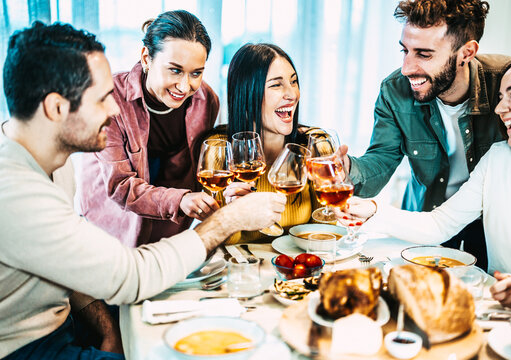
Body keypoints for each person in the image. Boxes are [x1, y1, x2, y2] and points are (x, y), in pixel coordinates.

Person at [0, 21, 286, 359]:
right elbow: (131, 275)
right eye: (103, 98)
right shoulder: (15, 192)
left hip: (65, 324)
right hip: (26, 348)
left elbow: (65, 265)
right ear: (56, 108)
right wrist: (227, 220)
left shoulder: (53, 162)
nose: (113, 108)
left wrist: (106, 328)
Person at [337, 49, 511, 311]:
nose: (500, 108)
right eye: (500, 97)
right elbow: (439, 223)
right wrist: (372, 210)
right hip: (499, 312)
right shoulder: (498, 159)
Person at [342, 0, 511, 270]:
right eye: (405, 50)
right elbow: (382, 159)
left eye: (424, 54)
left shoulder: (508, 83)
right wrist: (348, 168)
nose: (407, 67)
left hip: (494, 226)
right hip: (425, 221)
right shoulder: (395, 91)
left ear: (466, 52)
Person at [74, 10, 220, 248]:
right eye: (175, 70)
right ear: (146, 57)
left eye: (196, 73)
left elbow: (203, 169)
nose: (185, 86)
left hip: (171, 228)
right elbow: (120, 186)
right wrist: (181, 200)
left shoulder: (207, 100)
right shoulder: (110, 99)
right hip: (110, 231)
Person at [206, 43, 322, 244]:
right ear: (247, 93)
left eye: (293, 82)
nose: (292, 94)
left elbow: (327, 235)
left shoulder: (316, 145)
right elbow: (222, 246)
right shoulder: (218, 149)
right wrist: (232, 216)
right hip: (241, 272)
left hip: (299, 270)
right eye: (276, 85)